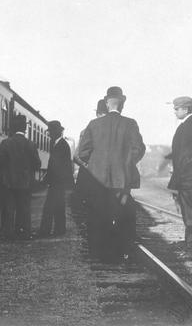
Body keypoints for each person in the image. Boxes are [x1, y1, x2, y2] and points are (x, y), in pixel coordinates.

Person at [77, 87, 145, 262]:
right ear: (122, 103)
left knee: (97, 215)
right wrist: (126, 163)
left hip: (97, 180)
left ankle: (98, 254)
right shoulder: (130, 123)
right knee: (124, 214)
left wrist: (95, 163)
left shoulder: (93, 124)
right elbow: (139, 149)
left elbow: (82, 152)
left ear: (107, 103)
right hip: (122, 180)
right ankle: (123, 252)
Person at [165, 96, 192, 260]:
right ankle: (191, 247)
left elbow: (191, 155)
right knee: (189, 214)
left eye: (177, 108)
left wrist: (179, 176)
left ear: (186, 109)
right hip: (187, 177)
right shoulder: (190, 125)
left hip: (188, 178)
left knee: (191, 215)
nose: (174, 111)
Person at [0, 115, 41, 240]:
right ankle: (23, 233)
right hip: (25, 183)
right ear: (25, 128)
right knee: (24, 208)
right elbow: (37, 165)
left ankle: (8, 233)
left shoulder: (5, 143)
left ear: (13, 127)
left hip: (9, 182)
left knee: (9, 208)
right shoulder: (31, 144)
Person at [74, 99, 108, 257]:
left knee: (92, 211)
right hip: (104, 177)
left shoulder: (88, 128)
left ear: (97, 112)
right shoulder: (114, 128)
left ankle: (96, 246)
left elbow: (77, 157)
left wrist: (88, 166)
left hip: (89, 176)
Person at [38, 120, 74, 237]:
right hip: (58, 182)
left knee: (49, 207)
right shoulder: (59, 144)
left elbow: (56, 166)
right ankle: (59, 229)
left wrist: (48, 180)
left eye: (50, 132)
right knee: (58, 206)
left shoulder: (60, 145)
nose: (49, 134)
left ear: (55, 132)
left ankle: (45, 231)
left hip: (57, 182)